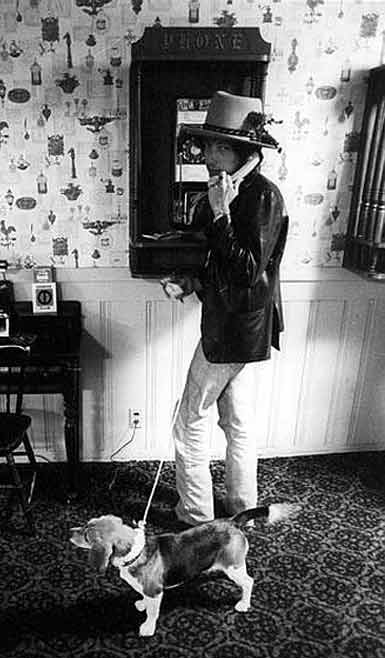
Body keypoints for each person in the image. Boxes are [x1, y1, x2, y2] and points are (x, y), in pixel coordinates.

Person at [162, 90, 288, 525]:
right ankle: (243, 510)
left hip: (236, 329)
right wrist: (191, 280)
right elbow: (218, 262)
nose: (207, 156)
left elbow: (248, 271)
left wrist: (220, 215)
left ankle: (195, 517)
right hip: (233, 324)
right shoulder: (229, 190)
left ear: (244, 151)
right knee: (236, 420)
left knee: (189, 421)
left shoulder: (262, 196)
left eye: (218, 146)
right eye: (206, 145)